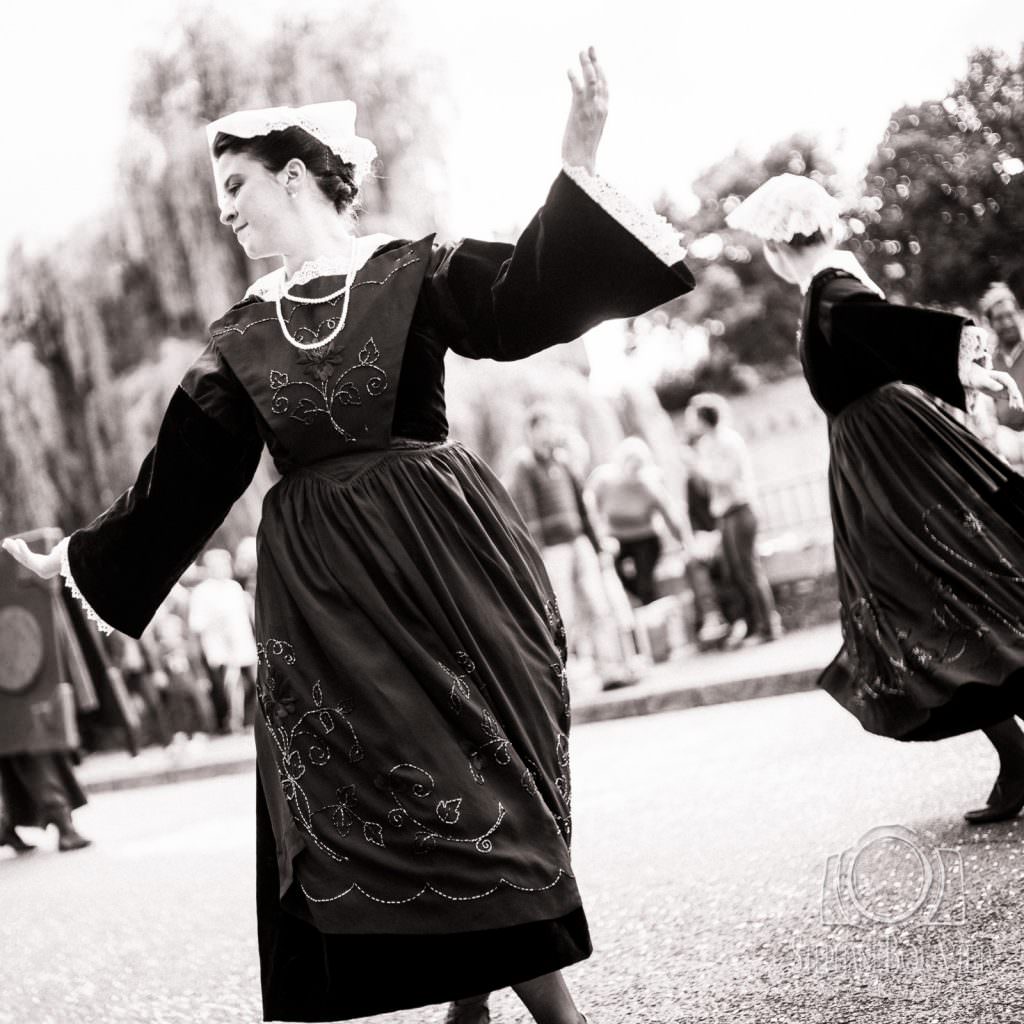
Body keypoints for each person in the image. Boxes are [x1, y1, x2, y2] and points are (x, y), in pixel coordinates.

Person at [3, 49, 693, 1024]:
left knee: (472, 764)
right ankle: (478, 992)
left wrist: (576, 157)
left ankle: (524, 1002)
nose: (224, 211)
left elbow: (523, 299)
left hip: (445, 564)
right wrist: (79, 554)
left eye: (235, 186)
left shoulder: (417, 272)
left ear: (295, 174)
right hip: (324, 605)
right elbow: (183, 480)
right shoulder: (241, 336)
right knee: (367, 786)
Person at [726, 172, 1024, 825]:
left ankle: (1016, 757)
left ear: (778, 247)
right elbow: (890, 340)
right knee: (937, 597)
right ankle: (1016, 757)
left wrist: (969, 363)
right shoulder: (828, 290)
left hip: (893, 459)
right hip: (878, 459)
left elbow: (893, 333)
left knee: (949, 589)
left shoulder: (833, 290)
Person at [505, 406, 640, 690]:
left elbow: (582, 507)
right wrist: (535, 552)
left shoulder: (564, 462)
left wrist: (596, 543)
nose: (546, 434)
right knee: (563, 611)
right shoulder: (524, 465)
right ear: (531, 432)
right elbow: (525, 513)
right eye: (540, 428)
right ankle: (560, 681)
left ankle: (611, 669)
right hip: (553, 549)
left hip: (578, 542)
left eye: (549, 427)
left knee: (598, 605)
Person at [683, 393, 782, 646]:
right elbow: (707, 489)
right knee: (733, 572)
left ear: (705, 417)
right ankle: (751, 625)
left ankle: (768, 625)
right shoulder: (707, 444)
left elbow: (725, 477)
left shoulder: (728, 441)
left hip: (740, 510)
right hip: (724, 514)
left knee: (748, 570)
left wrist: (697, 466)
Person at [587, 436, 689, 606]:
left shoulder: (650, 485)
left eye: (639, 467)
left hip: (645, 538)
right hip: (616, 538)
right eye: (632, 466)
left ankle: (651, 610)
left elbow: (669, 514)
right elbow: (590, 506)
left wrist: (683, 542)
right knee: (619, 576)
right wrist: (598, 535)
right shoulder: (604, 480)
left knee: (644, 582)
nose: (635, 471)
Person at [188, 548, 259, 733]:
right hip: (222, 650)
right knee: (233, 687)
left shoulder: (234, 587)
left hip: (244, 645)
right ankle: (236, 722)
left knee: (258, 680)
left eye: (225, 565)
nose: (224, 568)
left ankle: (257, 719)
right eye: (219, 566)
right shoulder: (202, 592)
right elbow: (196, 624)